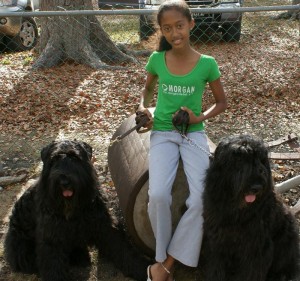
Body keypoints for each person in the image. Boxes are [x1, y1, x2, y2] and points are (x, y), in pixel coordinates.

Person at [137, 0, 227, 280]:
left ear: (191, 24)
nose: (175, 33)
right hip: (162, 133)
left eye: (179, 26)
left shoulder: (207, 64)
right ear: (161, 31)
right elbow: (147, 91)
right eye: (167, 28)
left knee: (202, 198)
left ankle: (166, 265)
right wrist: (143, 109)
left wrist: (197, 118)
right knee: (159, 196)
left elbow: (222, 102)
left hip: (193, 134)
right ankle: (161, 257)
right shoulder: (156, 60)